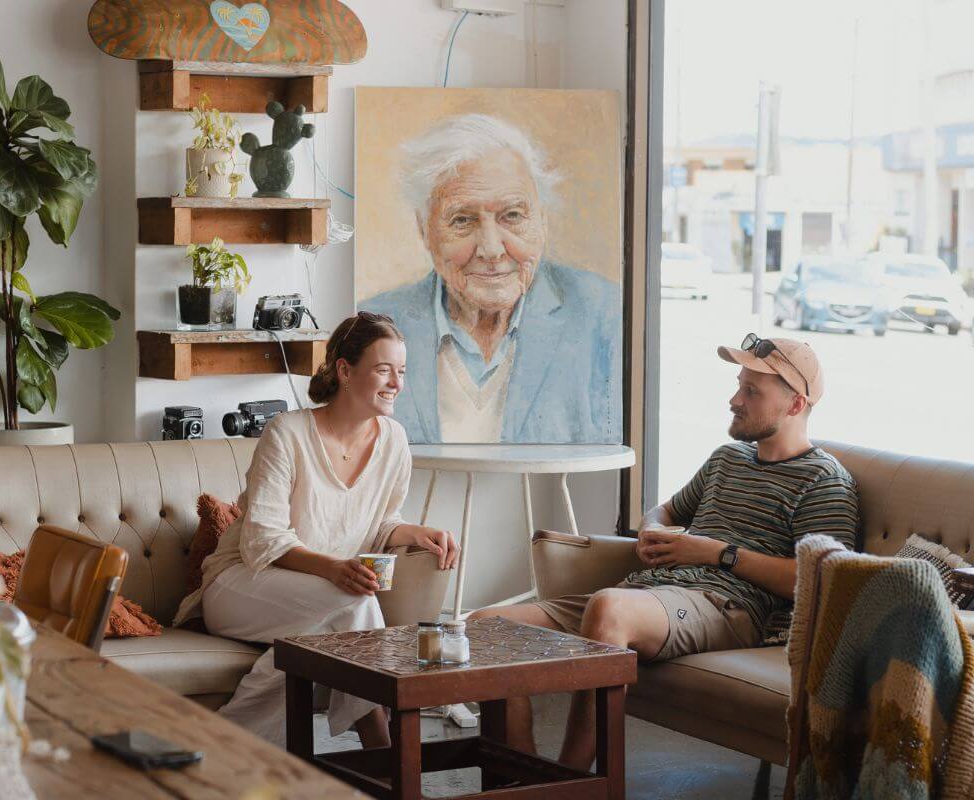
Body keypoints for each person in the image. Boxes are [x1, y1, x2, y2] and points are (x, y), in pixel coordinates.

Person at [470, 334, 859, 768]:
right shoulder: (727, 459)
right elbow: (666, 509)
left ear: (794, 405)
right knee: (489, 625)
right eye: (738, 384)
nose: (734, 399)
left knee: (610, 609)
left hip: (728, 606)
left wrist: (718, 553)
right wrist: (652, 530)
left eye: (752, 391)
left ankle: (571, 785)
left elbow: (824, 579)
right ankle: (521, 779)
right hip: (653, 592)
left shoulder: (824, 480)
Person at [173, 311, 460, 747]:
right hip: (242, 583)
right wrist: (332, 569)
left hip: (325, 596)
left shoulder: (395, 441)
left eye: (401, 371)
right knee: (353, 604)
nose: (396, 384)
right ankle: (383, 749)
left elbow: (380, 520)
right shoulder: (286, 433)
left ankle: (216, 746)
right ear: (345, 370)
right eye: (383, 370)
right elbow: (263, 540)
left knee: (301, 654)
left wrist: (413, 533)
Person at [361, 113, 621, 444]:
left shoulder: (605, 315)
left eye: (512, 216)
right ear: (424, 229)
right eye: (463, 219)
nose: (491, 248)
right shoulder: (371, 324)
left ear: (541, 221)